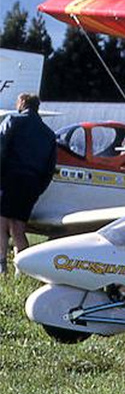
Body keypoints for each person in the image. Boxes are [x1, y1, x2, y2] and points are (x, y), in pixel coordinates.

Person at [0, 93, 58, 274]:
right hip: (31, 184)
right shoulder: (49, 134)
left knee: (0, 223)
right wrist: (37, 189)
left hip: (9, 178)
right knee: (18, 227)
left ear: (22, 104)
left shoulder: (12, 120)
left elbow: (0, 149)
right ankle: (25, 268)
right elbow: (50, 169)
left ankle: (1, 264)